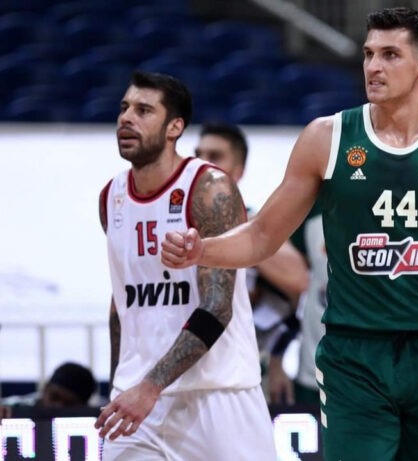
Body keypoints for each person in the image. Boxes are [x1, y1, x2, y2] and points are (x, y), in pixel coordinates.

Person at [162, 6, 418, 460]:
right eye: (369, 54)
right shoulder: (326, 137)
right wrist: (202, 250)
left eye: (390, 55)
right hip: (356, 353)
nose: (373, 66)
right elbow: (262, 236)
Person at [96, 71, 276, 460]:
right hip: (139, 401)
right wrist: (119, 384)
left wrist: (149, 387)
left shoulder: (210, 189)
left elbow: (217, 306)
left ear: (175, 127)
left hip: (218, 397)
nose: (126, 118)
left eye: (144, 110)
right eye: (124, 108)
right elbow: (121, 304)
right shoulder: (111, 197)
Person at [194, 122, 309, 404]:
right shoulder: (174, 219)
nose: (202, 164)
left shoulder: (253, 225)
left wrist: (241, 240)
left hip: (238, 364)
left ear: (238, 170)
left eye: (215, 156)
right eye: (198, 155)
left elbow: (299, 280)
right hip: (183, 361)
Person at [269, 203, 327, 406]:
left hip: (378, 375)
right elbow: (294, 295)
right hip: (314, 372)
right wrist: (277, 358)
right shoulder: (313, 205)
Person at [1, 362, 97, 418]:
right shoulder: (11, 408)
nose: (57, 406)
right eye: (55, 397)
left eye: (69, 404)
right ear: (45, 389)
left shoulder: (97, 417)